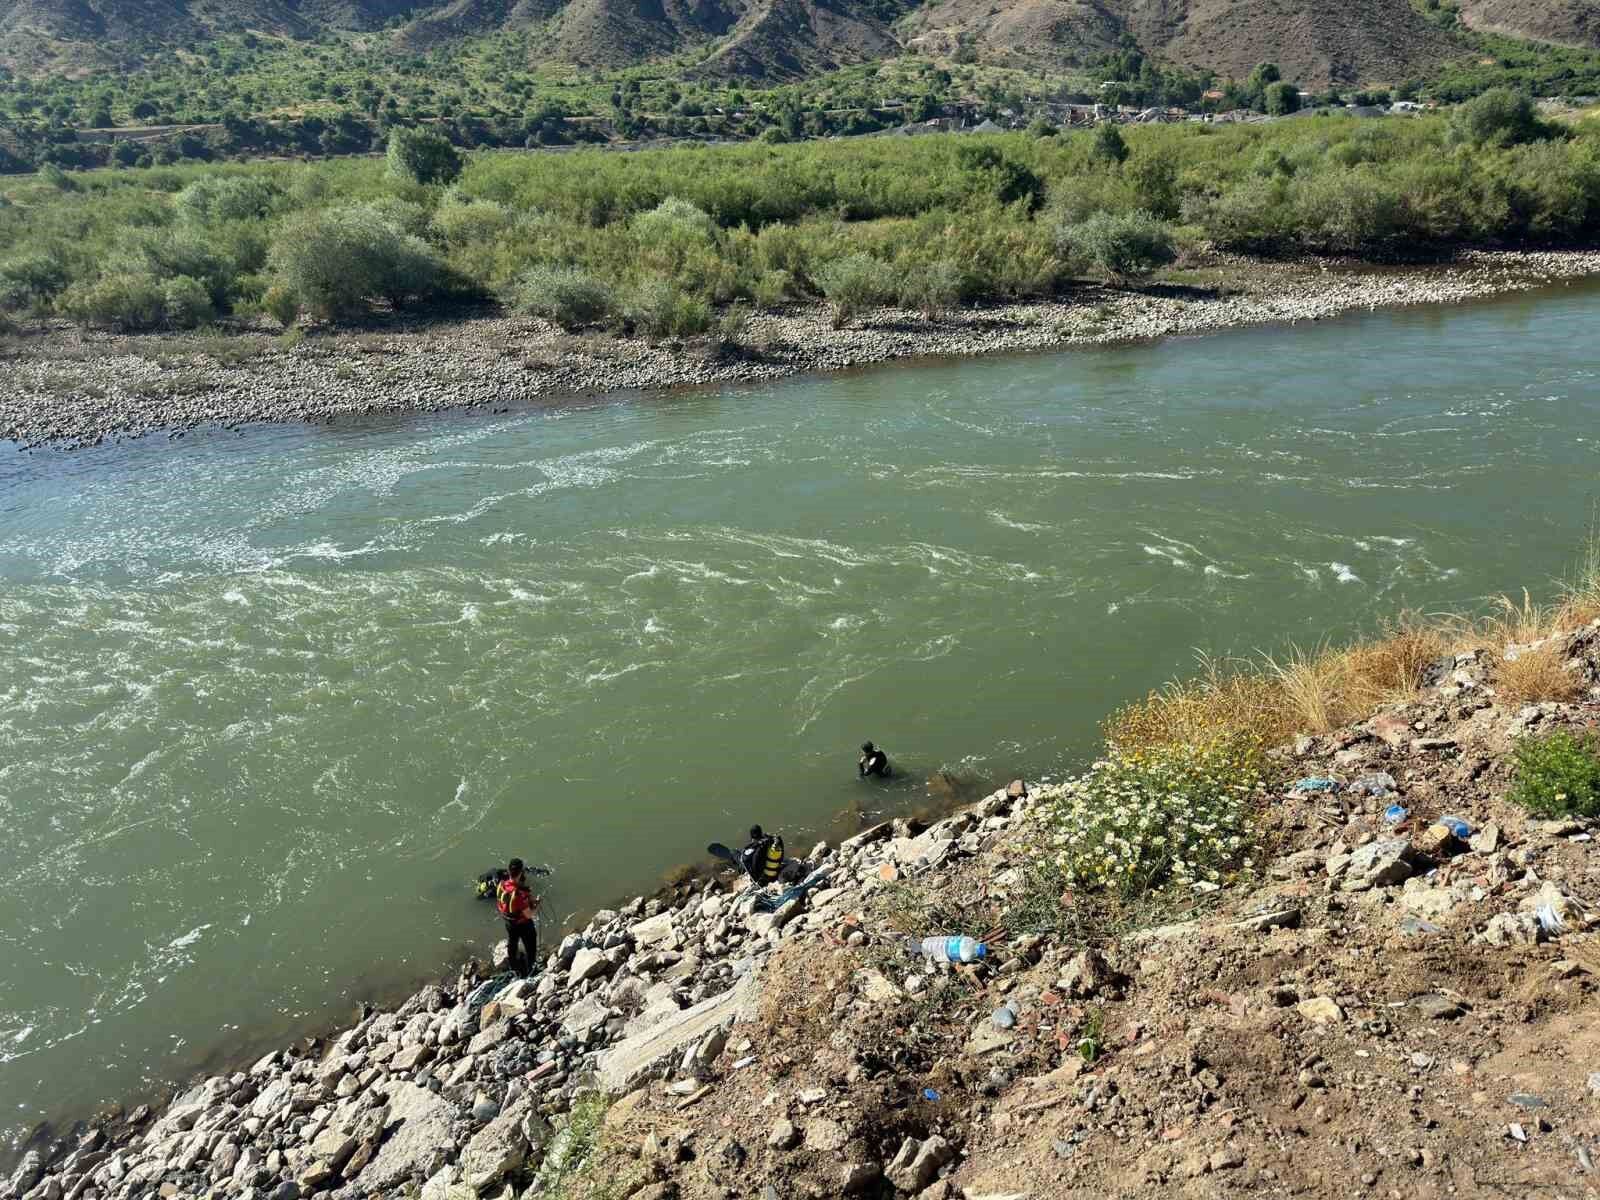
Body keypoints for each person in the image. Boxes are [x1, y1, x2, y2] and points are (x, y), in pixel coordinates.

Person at [495, 858, 542, 979]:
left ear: (509, 871)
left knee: (512, 942)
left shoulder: (502, 885)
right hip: (523, 925)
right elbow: (529, 915)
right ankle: (531, 969)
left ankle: (514, 967)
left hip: (509, 922)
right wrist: (537, 906)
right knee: (530, 947)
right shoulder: (519, 894)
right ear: (520, 872)